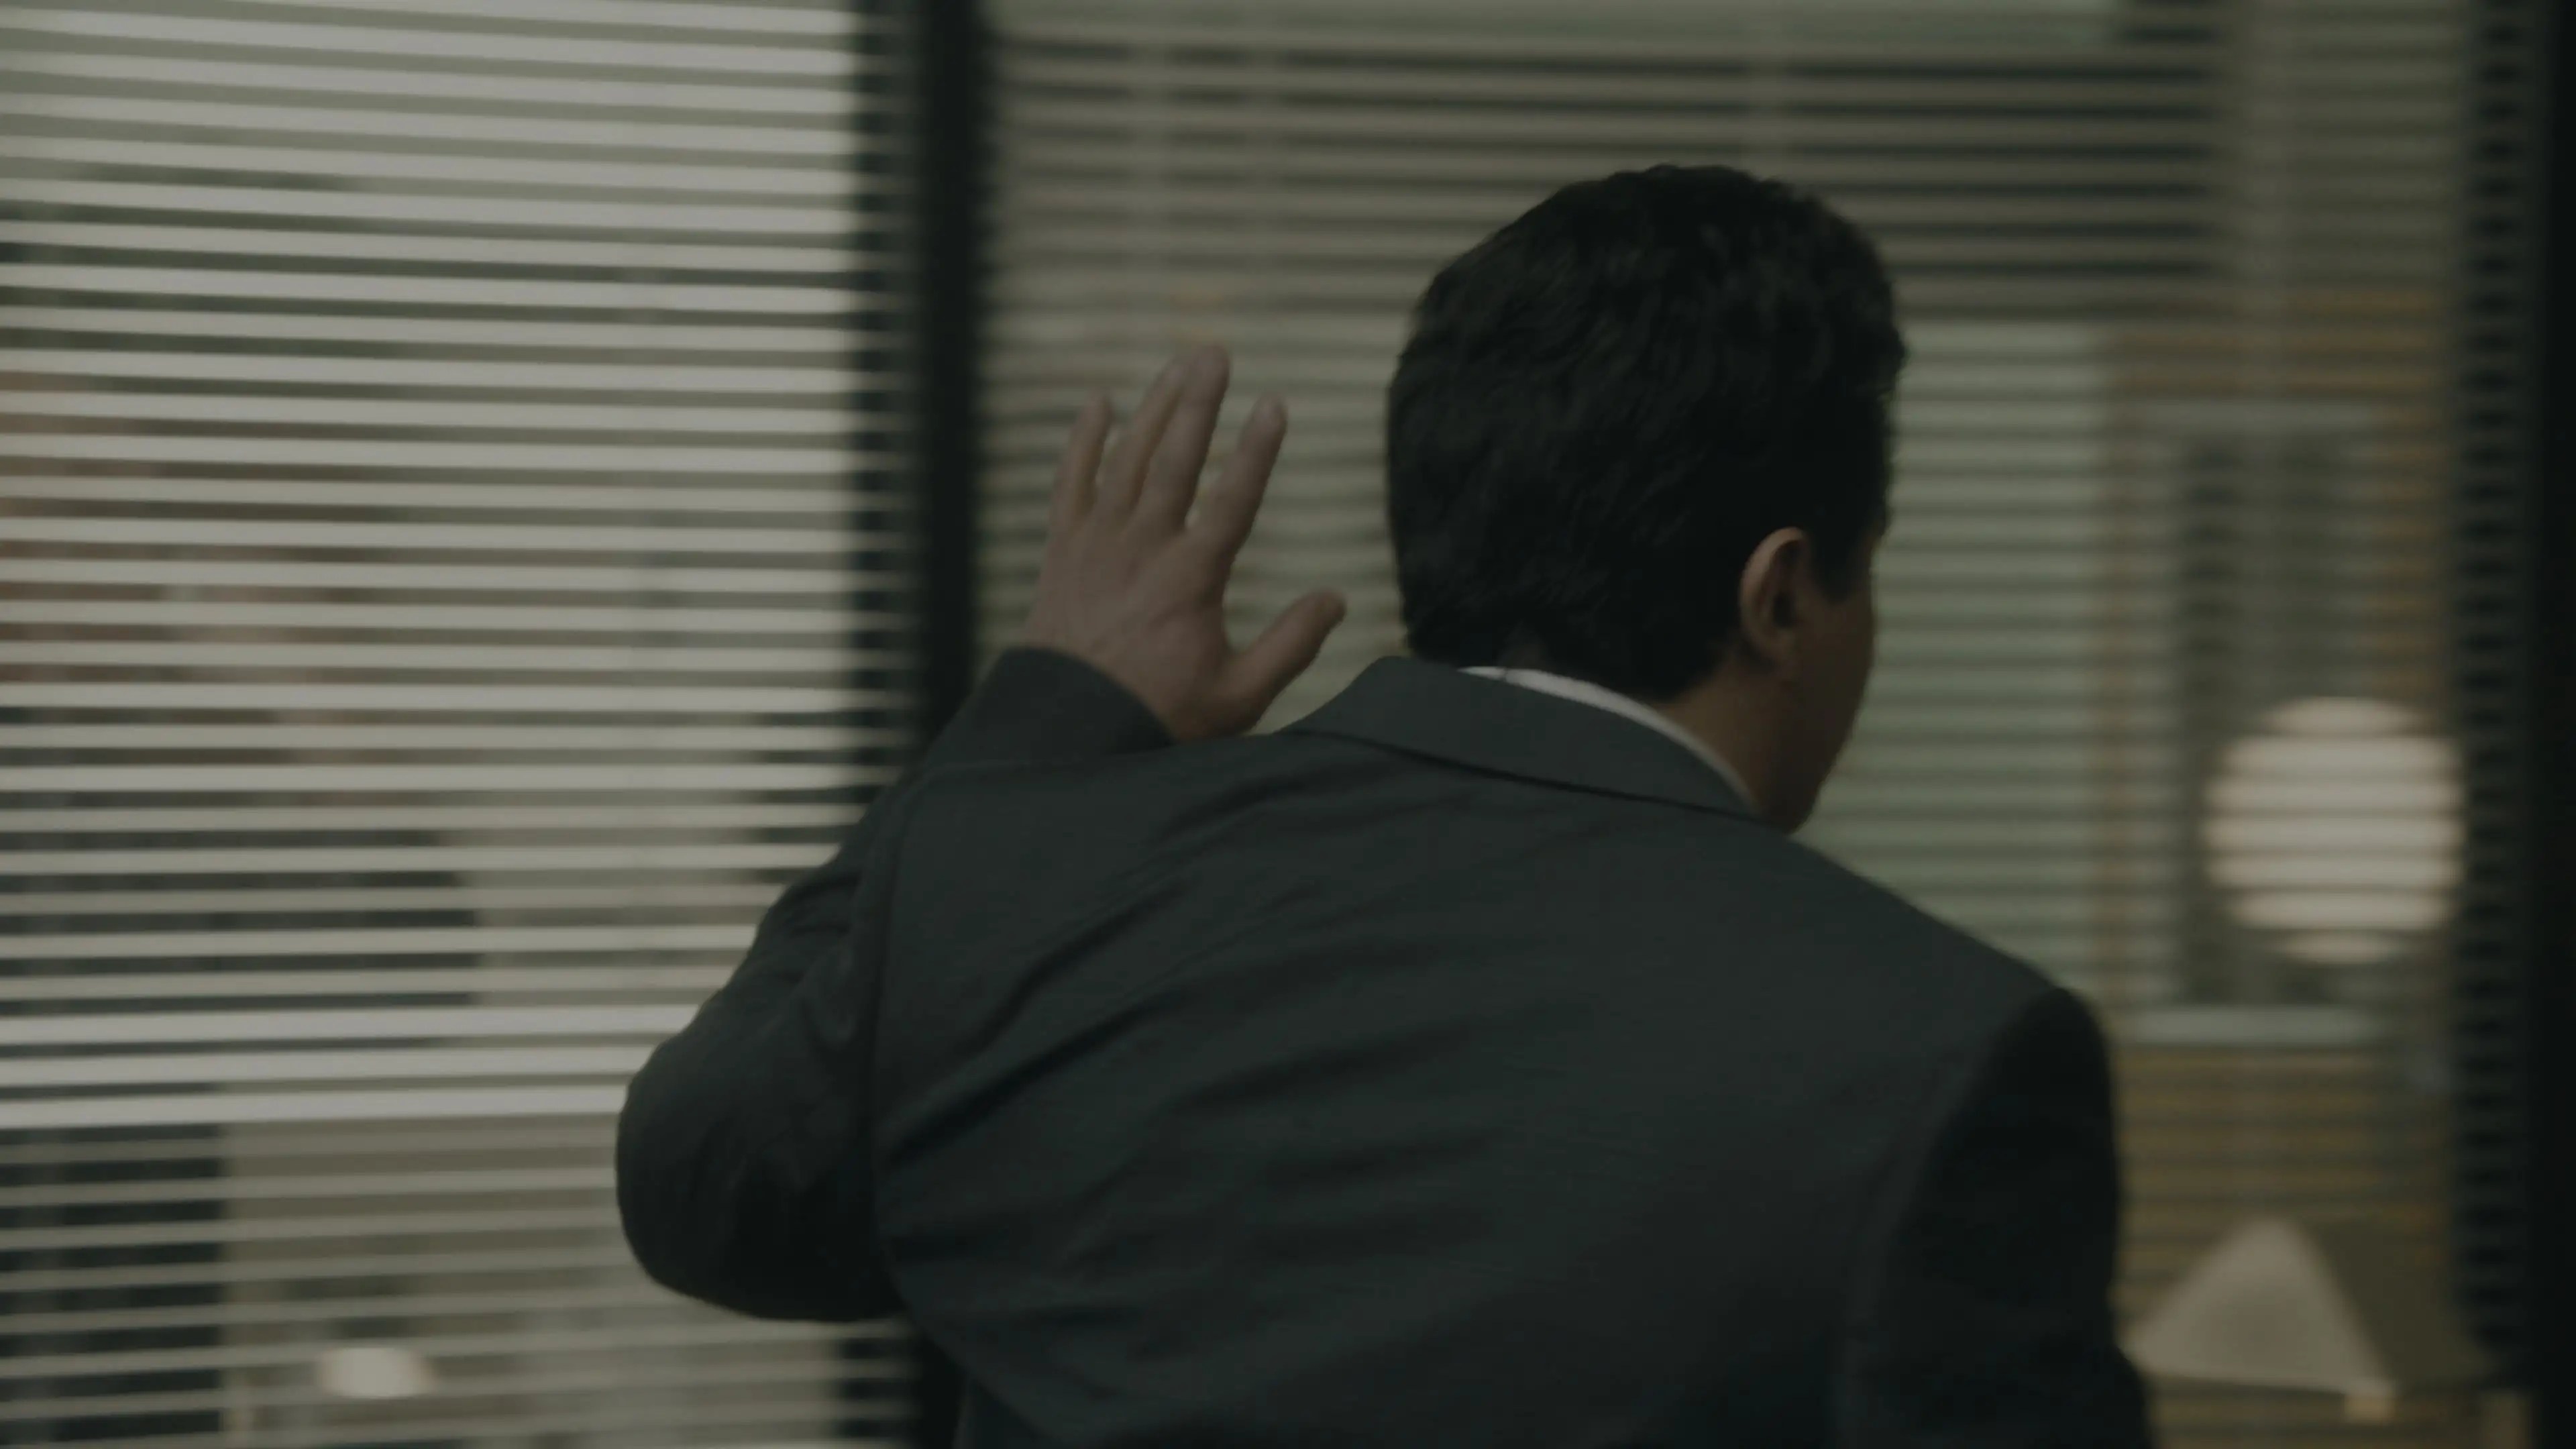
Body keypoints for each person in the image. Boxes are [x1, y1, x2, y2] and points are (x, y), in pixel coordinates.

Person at [616, 164, 2152, 1446]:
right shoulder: (1945, 1056)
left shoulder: (1007, 881)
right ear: (1783, 595)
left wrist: (1055, 699)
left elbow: (705, 1191)